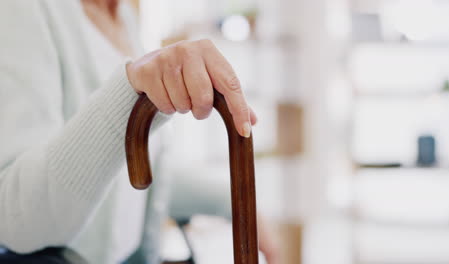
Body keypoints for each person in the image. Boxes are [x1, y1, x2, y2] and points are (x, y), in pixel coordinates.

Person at [0, 0, 278, 263]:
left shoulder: (124, 17)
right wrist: (129, 96)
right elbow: (16, 219)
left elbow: (131, 182)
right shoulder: (24, 9)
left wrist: (232, 200)